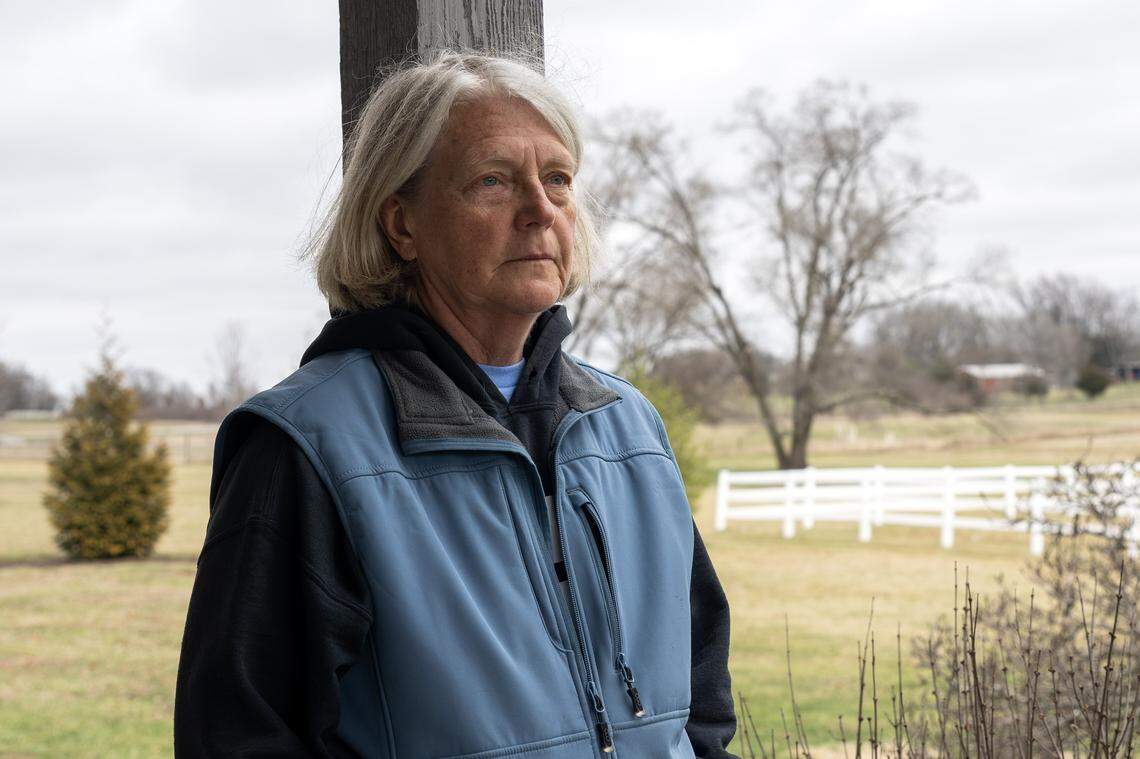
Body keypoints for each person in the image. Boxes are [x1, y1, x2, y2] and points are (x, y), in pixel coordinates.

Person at [174, 51, 738, 758]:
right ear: (401, 224)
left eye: (558, 180)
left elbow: (702, 704)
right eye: (493, 181)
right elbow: (239, 736)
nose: (540, 210)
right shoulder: (307, 447)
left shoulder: (628, 429)